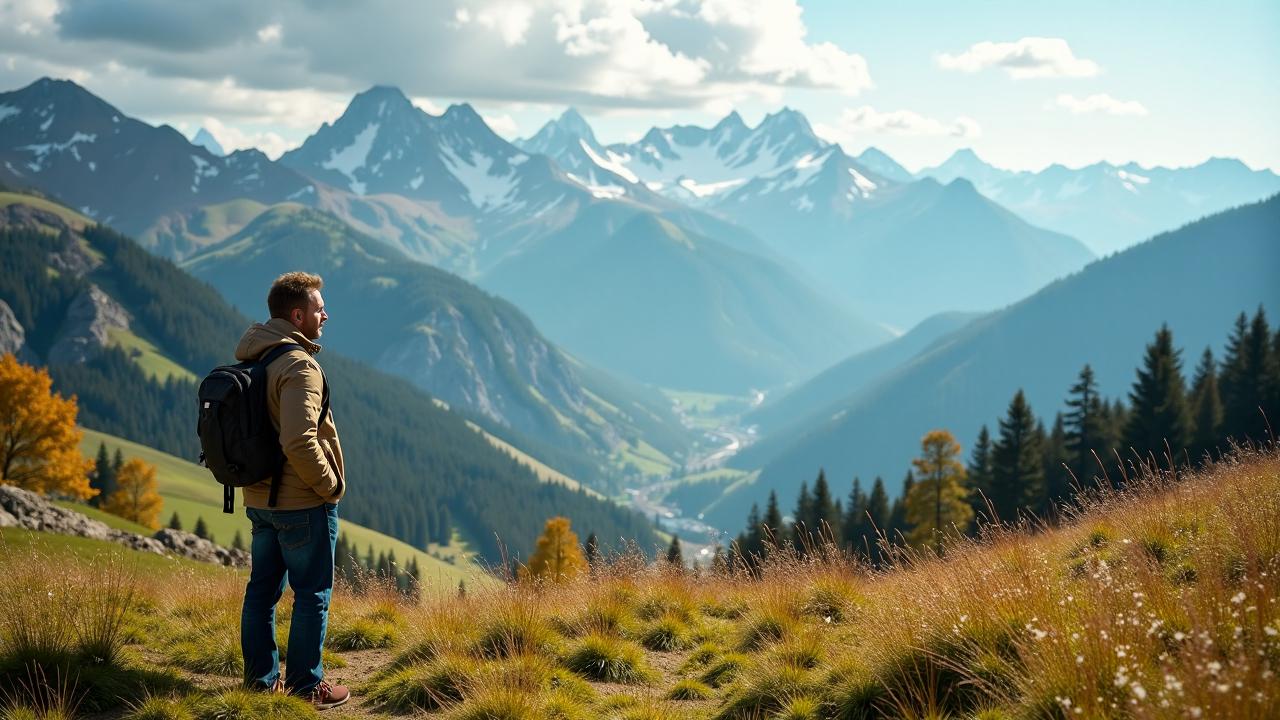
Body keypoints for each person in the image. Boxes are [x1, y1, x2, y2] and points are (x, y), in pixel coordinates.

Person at [237, 271, 349, 710]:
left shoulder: (256, 356)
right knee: (312, 594)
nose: (326, 315)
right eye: (319, 308)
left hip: (259, 499)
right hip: (302, 503)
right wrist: (329, 486)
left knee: (262, 591)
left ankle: (261, 686)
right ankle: (306, 688)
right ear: (298, 315)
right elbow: (299, 440)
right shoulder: (299, 365)